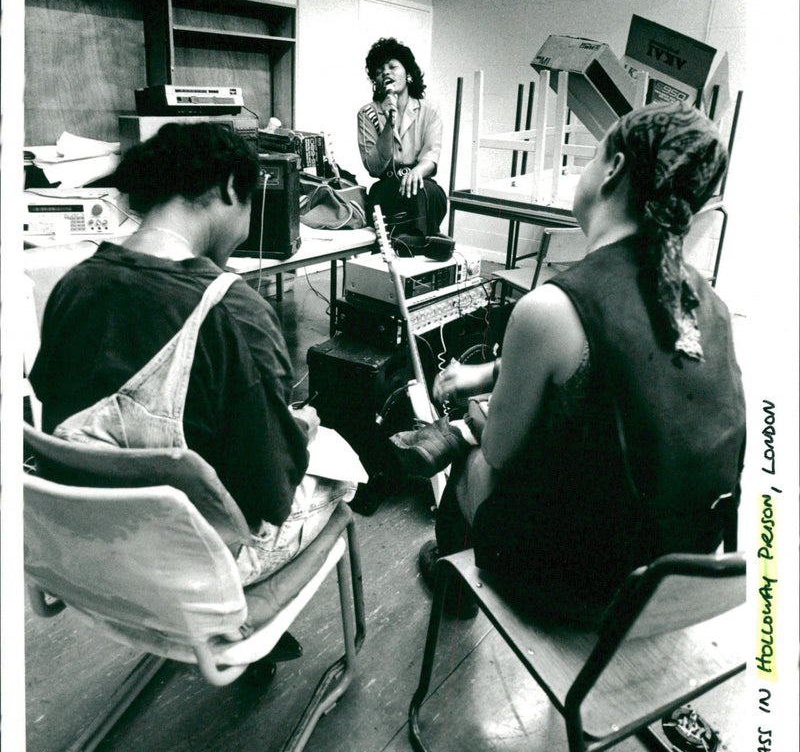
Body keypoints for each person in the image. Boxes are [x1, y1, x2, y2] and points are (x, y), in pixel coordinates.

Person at [392, 101, 746, 623]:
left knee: (475, 459)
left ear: (613, 169)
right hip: (683, 583)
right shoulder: (707, 304)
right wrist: (489, 373)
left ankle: (454, 589)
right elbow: (620, 369)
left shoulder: (549, 309)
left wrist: (483, 417)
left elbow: (501, 453)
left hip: (587, 591)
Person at [30, 121, 357, 593]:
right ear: (229, 187)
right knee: (340, 468)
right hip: (189, 570)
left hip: (83, 551)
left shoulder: (73, 285)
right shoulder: (237, 312)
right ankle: (244, 629)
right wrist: (298, 432)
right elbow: (270, 495)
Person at [357, 37, 448, 246]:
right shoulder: (367, 113)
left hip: (421, 184)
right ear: (376, 82)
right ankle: (426, 245)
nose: (386, 73)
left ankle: (411, 244)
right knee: (406, 197)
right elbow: (374, 167)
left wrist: (417, 172)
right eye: (379, 71)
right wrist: (389, 122)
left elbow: (431, 156)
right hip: (386, 189)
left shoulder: (429, 110)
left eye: (392, 67)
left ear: (408, 75)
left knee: (427, 192)